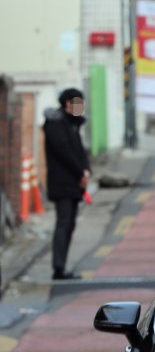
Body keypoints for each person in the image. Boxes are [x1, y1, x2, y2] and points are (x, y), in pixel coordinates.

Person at [42, 88, 91, 280]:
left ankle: (61, 266)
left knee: (69, 224)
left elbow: (80, 152)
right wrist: (80, 172)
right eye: (77, 103)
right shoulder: (56, 124)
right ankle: (58, 268)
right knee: (64, 223)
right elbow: (65, 152)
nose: (80, 107)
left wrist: (86, 171)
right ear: (67, 104)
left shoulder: (72, 124)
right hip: (62, 182)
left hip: (74, 182)